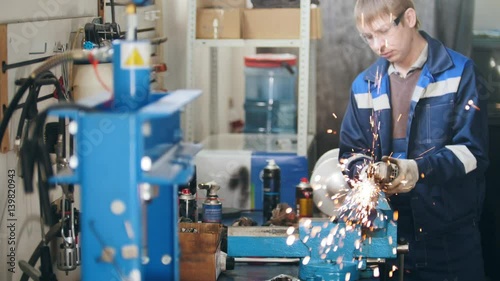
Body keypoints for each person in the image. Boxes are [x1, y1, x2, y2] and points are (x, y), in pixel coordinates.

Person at [338, 0, 489, 280]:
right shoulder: (365, 85)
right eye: (368, 37)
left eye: (384, 31)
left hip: (449, 242)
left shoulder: (459, 73)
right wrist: (367, 172)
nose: (378, 46)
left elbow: (472, 153)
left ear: (409, 18)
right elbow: (350, 154)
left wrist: (417, 170)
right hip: (383, 238)